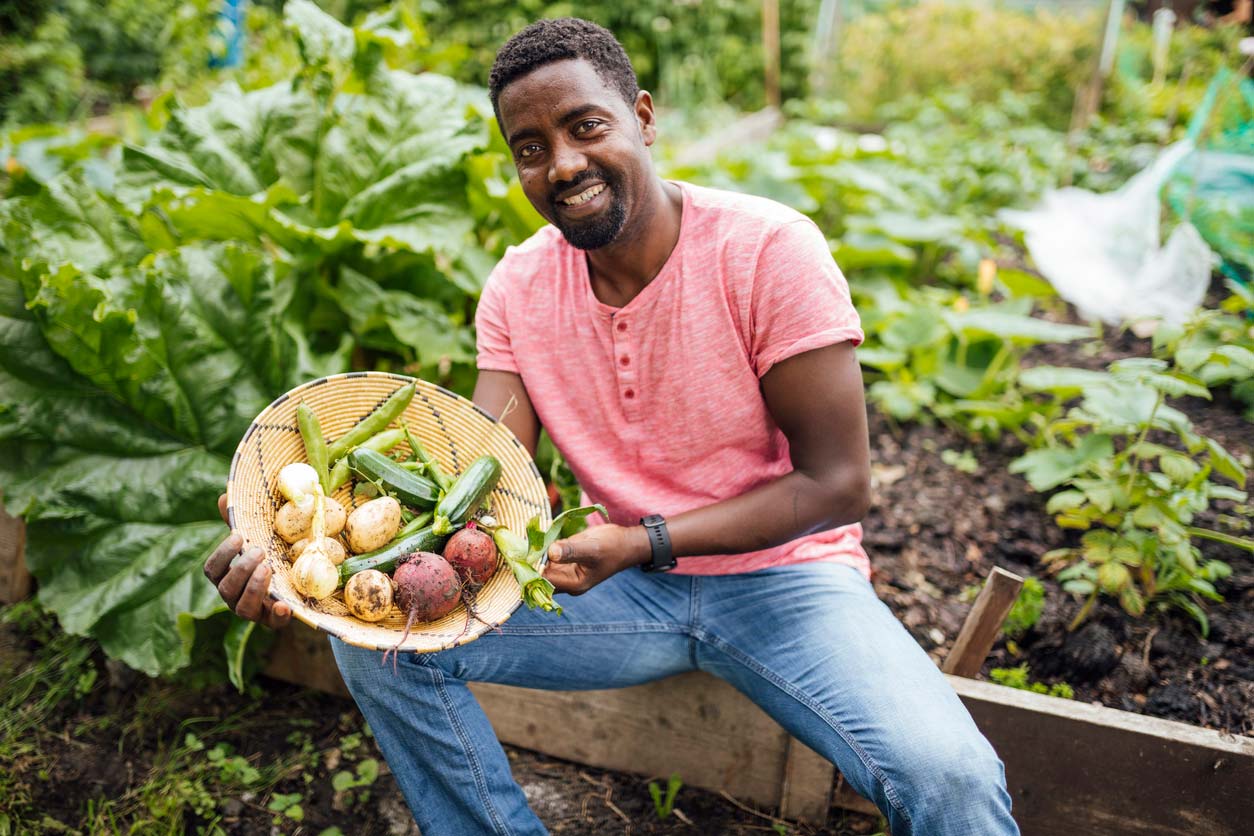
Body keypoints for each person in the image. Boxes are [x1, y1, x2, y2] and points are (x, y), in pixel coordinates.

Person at [204, 18, 1019, 836]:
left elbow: (840, 484)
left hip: (787, 583)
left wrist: (645, 539)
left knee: (947, 775)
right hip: (618, 593)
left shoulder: (769, 251)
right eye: (529, 148)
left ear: (644, 117)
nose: (561, 164)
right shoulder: (520, 289)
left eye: (586, 126)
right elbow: (486, 479)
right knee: (376, 645)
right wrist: (307, 553)